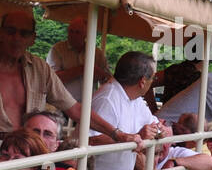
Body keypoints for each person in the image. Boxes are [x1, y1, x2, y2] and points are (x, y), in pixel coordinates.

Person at [0, 10, 138, 145]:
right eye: (10, 31)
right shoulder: (57, 51)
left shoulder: (39, 68)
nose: (16, 38)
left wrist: (117, 134)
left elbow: (75, 109)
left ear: (32, 39)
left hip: (28, 150)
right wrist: (82, 69)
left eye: (24, 33)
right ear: (1, 33)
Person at [89, 52, 171, 170]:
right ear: (142, 81)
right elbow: (91, 140)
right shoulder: (107, 98)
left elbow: (158, 127)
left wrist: (157, 131)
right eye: (153, 78)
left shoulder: (136, 99)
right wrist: (137, 137)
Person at [47, 16, 111, 104]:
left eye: (77, 32)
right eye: (71, 31)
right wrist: (81, 69)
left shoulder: (96, 53)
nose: (73, 35)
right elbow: (52, 79)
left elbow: (109, 81)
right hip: (62, 106)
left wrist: (101, 75)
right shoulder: (57, 50)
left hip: (89, 105)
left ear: (86, 34)